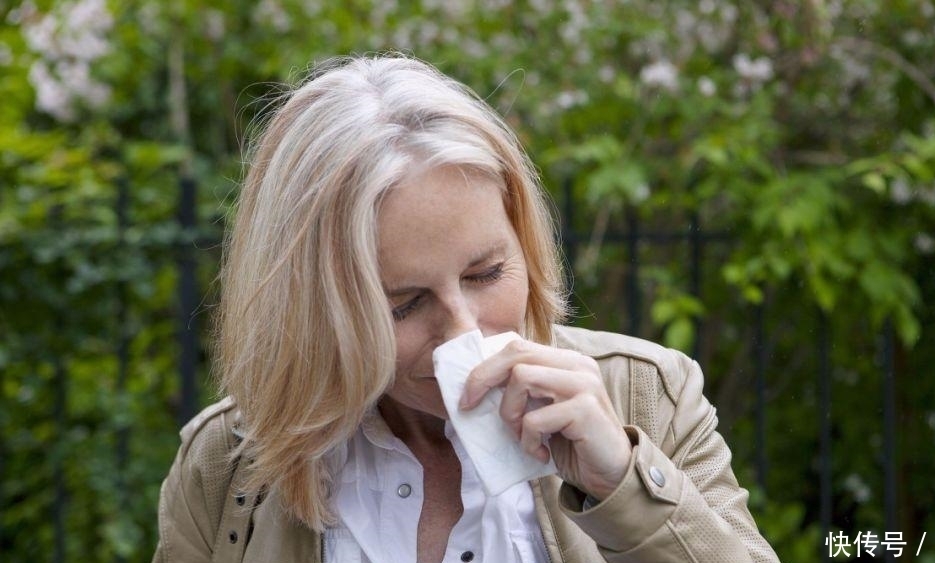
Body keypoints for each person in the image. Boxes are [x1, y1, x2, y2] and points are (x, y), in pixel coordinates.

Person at [153, 54, 779, 563]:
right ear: (314, 311)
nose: (463, 330)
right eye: (403, 305)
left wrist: (622, 485)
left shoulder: (644, 395)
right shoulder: (227, 463)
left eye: (487, 273)